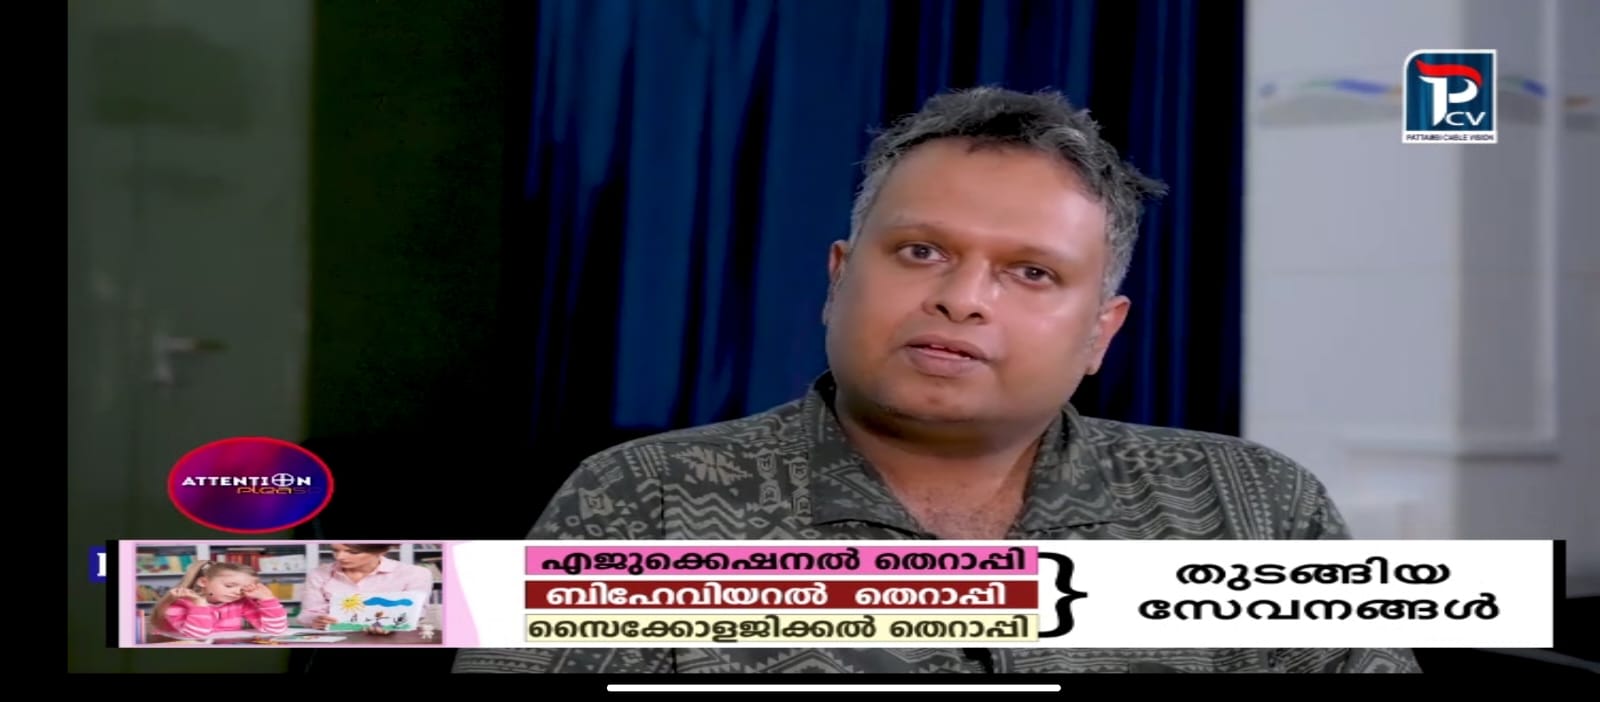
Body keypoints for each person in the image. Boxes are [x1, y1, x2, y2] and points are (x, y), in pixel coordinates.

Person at [453, 86, 1422, 674]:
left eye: (1029, 272)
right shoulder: (642, 504)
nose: (961, 299)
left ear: (1101, 331)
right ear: (839, 279)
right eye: (921, 252)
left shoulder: (1254, 509)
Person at [298, 543, 435, 635]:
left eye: (352, 552)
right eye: (335, 550)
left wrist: (390, 625)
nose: (340, 557)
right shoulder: (319, 573)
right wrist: (316, 620)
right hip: (336, 637)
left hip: (396, 638)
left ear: (381, 551)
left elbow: (417, 612)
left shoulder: (415, 573)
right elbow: (307, 613)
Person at [150, 560, 289, 639]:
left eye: (243, 589)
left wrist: (268, 600)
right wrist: (199, 605)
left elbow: (276, 630)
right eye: (229, 586)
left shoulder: (240, 603)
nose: (237, 592)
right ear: (203, 582)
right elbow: (197, 635)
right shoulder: (178, 605)